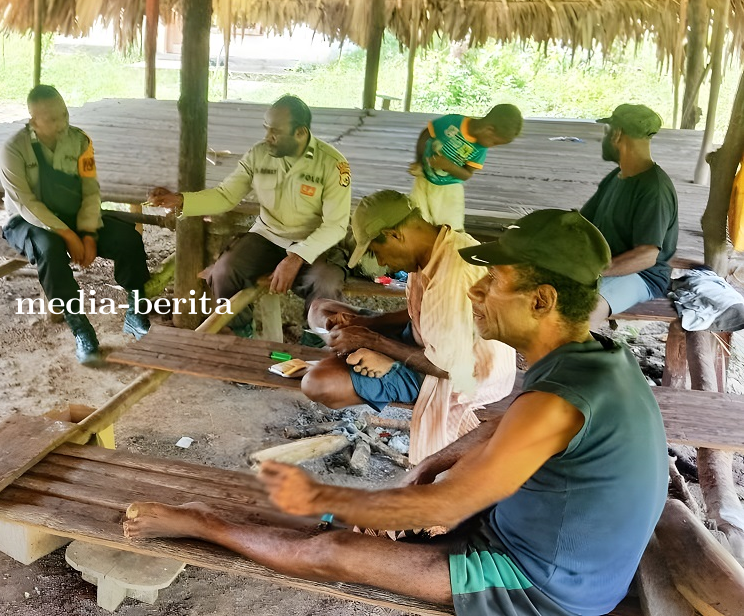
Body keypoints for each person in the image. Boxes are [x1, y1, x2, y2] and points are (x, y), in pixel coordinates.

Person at [124, 209, 668, 616]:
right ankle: (295, 516)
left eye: (495, 281)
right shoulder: (594, 358)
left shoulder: (556, 401)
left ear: (542, 301)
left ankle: (203, 524)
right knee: (360, 520)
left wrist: (334, 494)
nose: (475, 290)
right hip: (538, 543)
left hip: (542, 587)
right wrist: (428, 467)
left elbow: (458, 498)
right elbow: (501, 429)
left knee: (335, 549)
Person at [303, 190, 516, 463]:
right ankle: (364, 352)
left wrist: (377, 345)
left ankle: (381, 363)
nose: (380, 263)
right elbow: (423, 312)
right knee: (321, 309)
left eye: (376, 252)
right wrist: (367, 323)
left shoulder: (451, 277)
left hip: (456, 372)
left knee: (318, 383)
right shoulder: (438, 246)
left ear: (394, 235)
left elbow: (447, 367)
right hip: (425, 340)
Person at [148, 95, 349, 338]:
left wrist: (296, 257)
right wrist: (182, 200)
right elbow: (226, 195)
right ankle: (242, 335)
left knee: (325, 281)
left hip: (313, 244)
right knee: (225, 272)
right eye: (266, 129)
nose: (267, 137)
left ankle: (316, 346)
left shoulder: (332, 164)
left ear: (300, 133)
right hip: (268, 236)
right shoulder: (259, 155)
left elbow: (335, 226)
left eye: (275, 132)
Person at [0, 85, 151, 367]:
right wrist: (68, 235)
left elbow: (91, 191)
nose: (62, 123)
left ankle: (136, 312)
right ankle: (82, 330)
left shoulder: (80, 141)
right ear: (33, 119)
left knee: (128, 238)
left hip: (75, 215)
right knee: (49, 250)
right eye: (52, 119)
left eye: (64, 114)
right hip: (27, 221)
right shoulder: (13, 150)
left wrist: (89, 234)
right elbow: (26, 204)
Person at [581, 104, 678, 326]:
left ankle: (575, 356)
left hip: (642, 276)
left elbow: (646, 256)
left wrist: (592, 272)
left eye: (606, 132)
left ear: (616, 134)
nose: (603, 139)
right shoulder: (617, 176)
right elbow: (583, 222)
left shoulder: (654, 189)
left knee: (583, 313)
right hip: (604, 265)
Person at [409, 104, 523, 231]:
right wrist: (419, 161)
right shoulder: (452, 122)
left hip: (449, 189)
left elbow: (467, 174)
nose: (492, 146)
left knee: (450, 228)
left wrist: (449, 166)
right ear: (488, 130)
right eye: (495, 142)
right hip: (423, 178)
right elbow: (427, 134)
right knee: (416, 218)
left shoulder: (480, 150)